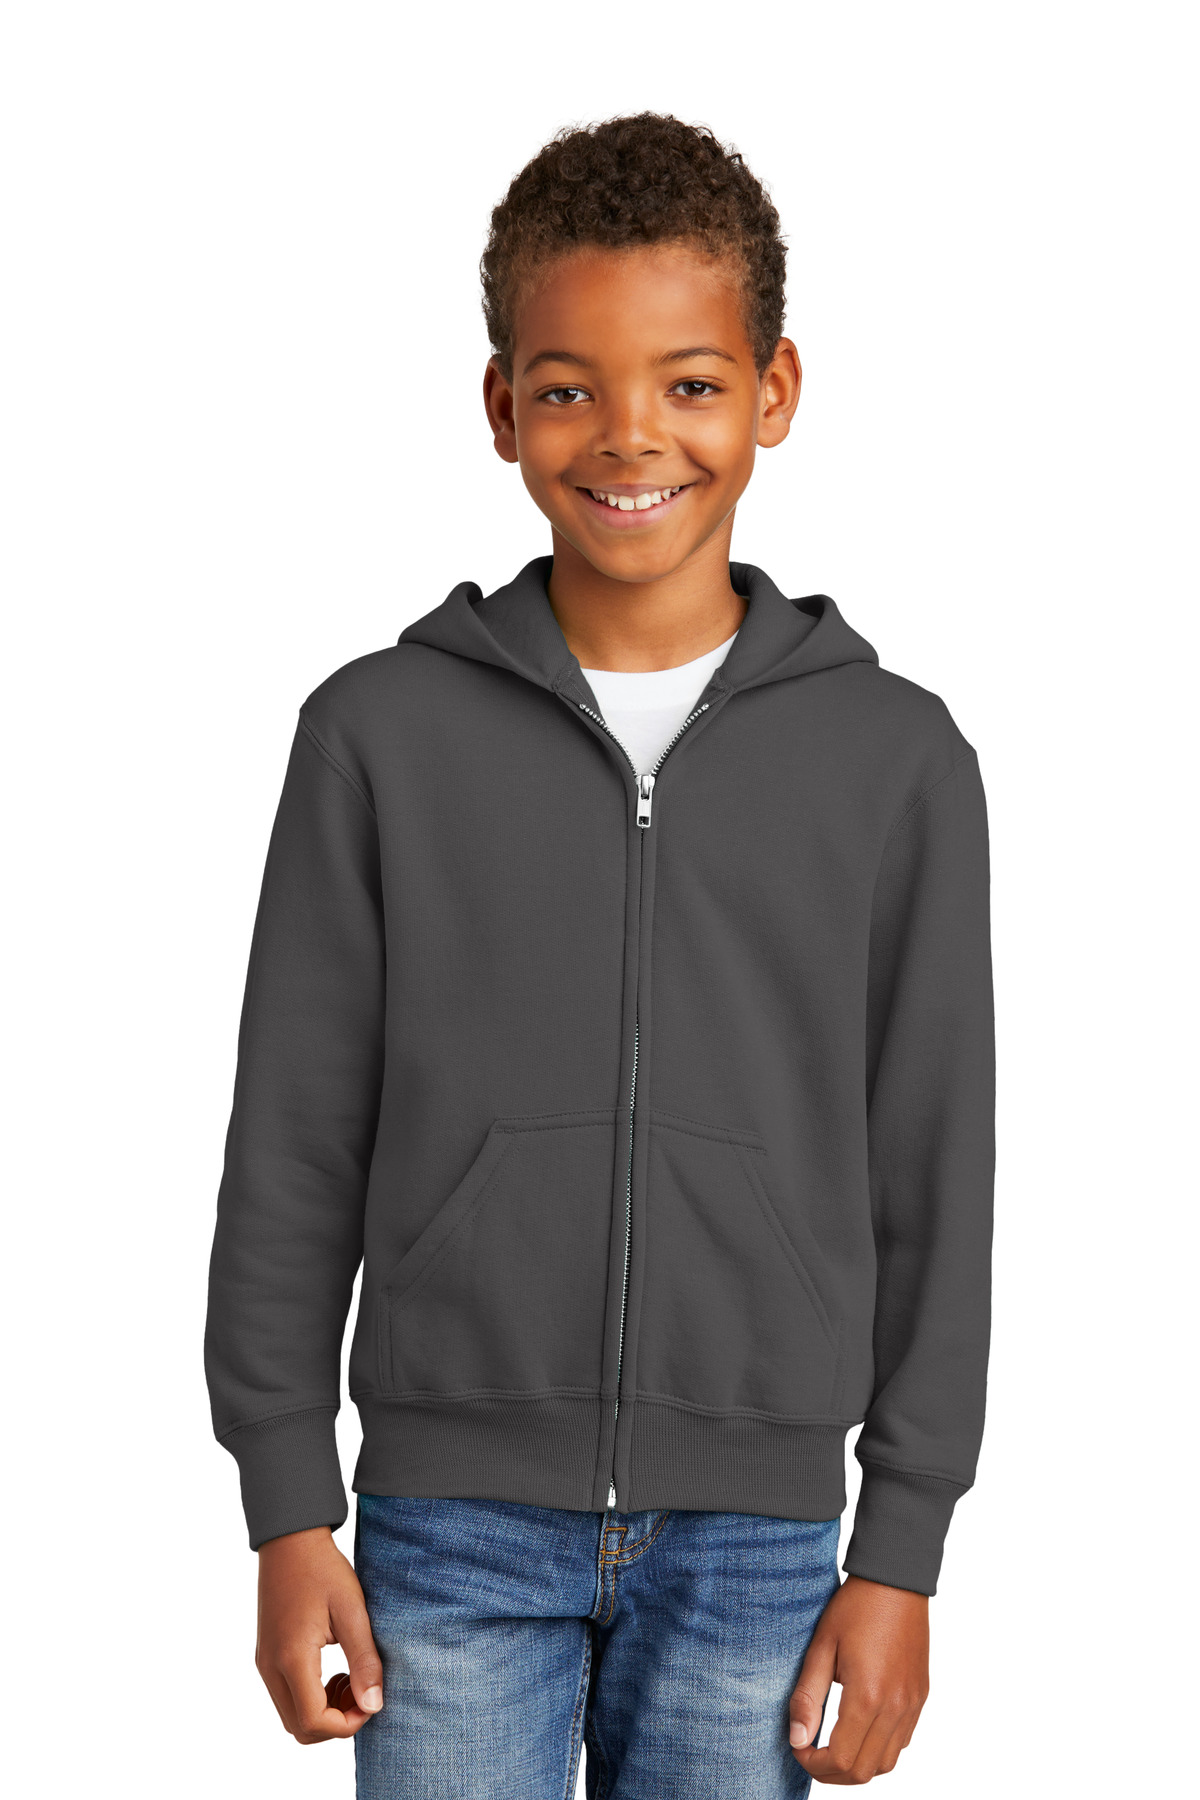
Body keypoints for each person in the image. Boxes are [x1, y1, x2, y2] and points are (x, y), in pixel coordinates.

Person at [205, 113, 994, 1798]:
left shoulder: (895, 760)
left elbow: (937, 1171)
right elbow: (293, 1139)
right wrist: (286, 1499)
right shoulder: (379, 736)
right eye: (569, 388)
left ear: (775, 391)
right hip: (446, 1525)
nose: (631, 434)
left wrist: (904, 1549)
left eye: (690, 383)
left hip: (758, 1543)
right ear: (501, 407)